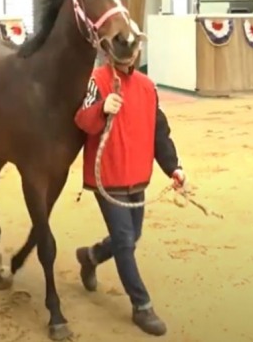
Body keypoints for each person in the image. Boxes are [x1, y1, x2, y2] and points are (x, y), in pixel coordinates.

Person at [73, 48, 187, 337]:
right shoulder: (96, 81)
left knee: (132, 236)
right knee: (125, 240)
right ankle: (142, 305)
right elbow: (82, 120)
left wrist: (173, 167)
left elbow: (159, 132)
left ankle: (92, 256)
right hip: (107, 177)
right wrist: (101, 109)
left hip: (137, 177)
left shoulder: (148, 87)